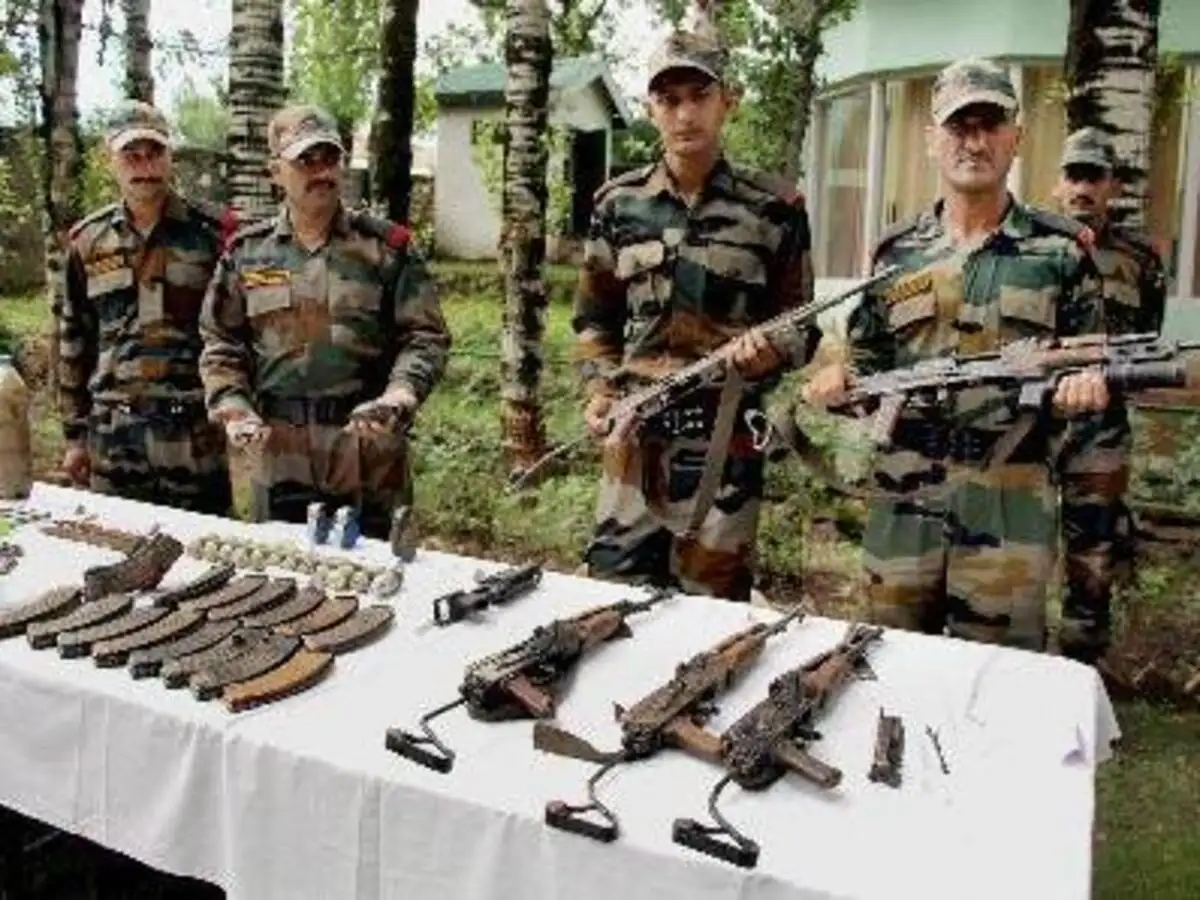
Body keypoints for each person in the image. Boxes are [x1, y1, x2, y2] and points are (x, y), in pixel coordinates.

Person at [802, 59, 1113, 652]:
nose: (974, 142)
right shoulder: (897, 254)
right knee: (889, 661)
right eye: (959, 126)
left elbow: (1089, 373)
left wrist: (1084, 389)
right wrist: (838, 380)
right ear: (931, 140)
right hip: (903, 500)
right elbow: (867, 365)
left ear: (1016, 138)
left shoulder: (1061, 253)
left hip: (1010, 502)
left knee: (999, 677)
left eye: (990, 125)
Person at [572, 29, 818, 603]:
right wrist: (601, 389)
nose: (684, 114)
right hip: (633, 446)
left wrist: (768, 352)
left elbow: (803, 325)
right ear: (650, 109)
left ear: (728, 101)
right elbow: (594, 321)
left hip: (725, 450)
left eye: (699, 96)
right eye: (669, 99)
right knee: (612, 603)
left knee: (712, 617)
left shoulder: (775, 209)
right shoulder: (618, 204)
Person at [198, 104, 450, 539]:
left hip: (367, 447)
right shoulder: (248, 253)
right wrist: (234, 405)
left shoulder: (385, 248)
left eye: (329, 158)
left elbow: (425, 336)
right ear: (275, 172)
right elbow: (221, 340)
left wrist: (401, 392)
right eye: (305, 160)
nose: (321, 171)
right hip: (280, 452)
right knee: (281, 568)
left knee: (376, 570)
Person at [57, 100, 236, 515]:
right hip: (114, 437)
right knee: (114, 539)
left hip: (193, 436)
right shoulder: (88, 241)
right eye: (131, 155)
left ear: (170, 156)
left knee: (201, 544)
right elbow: (73, 338)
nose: (144, 165)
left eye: (154, 152)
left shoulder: (214, 235)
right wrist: (74, 436)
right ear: (110, 161)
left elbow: (236, 333)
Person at [1053, 127, 1168, 661]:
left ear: (1112, 185)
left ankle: (1082, 667)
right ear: (1058, 183)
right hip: (1028, 425)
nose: (1082, 188)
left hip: (1100, 432)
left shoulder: (1140, 259)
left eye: (1093, 177)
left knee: (1094, 556)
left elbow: (1146, 339)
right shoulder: (1030, 244)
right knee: (1010, 548)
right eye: (1074, 176)